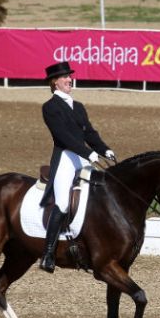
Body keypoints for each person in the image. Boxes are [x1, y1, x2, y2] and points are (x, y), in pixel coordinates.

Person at [38, 61, 115, 273]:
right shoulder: (50, 107)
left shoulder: (78, 106)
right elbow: (63, 136)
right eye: (65, 77)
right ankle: (48, 253)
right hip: (65, 158)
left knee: (100, 194)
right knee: (62, 203)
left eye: (70, 76)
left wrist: (104, 149)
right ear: (55, 82)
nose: (70, 80)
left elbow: (89, 133)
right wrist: (88, 152)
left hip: (82, 158)